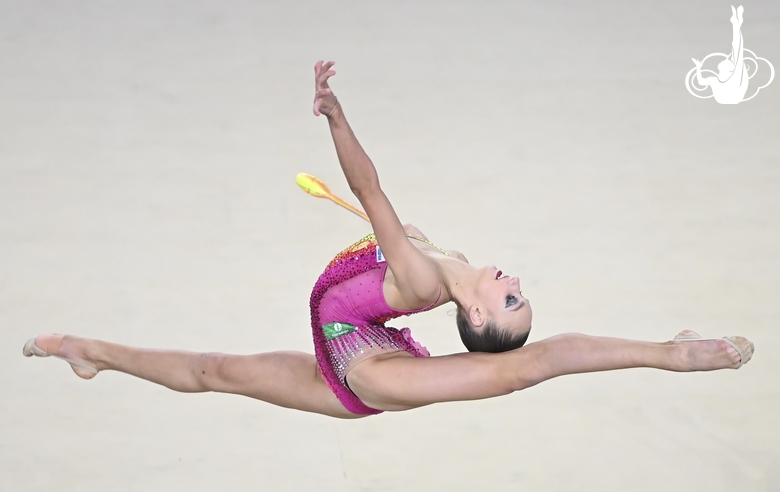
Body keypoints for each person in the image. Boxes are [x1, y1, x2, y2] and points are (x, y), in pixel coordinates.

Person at [23, 61, 754, 419]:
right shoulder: (452, 265)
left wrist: (335, 118)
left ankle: (678, 354)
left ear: (475, 317)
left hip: (365, 374)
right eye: (521, 294)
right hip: (350, 342)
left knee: (526, 371)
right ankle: (91, 354)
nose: (515, 282)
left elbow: (372, 192)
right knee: (214, 369)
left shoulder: (419, 279)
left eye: (512, 301)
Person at [692, 5, 749, 104]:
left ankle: (736, 23)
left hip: (731, 97)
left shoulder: (732, 77)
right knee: (737, 51)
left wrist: (736, 26)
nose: (724, 59)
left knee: (737, 50)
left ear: (729, 69)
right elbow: (701, 82)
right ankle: (736, 23)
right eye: (728, 61)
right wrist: (698, 67)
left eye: (727, 61)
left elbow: (737, 49)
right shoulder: (715, 80)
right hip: (729, 98)